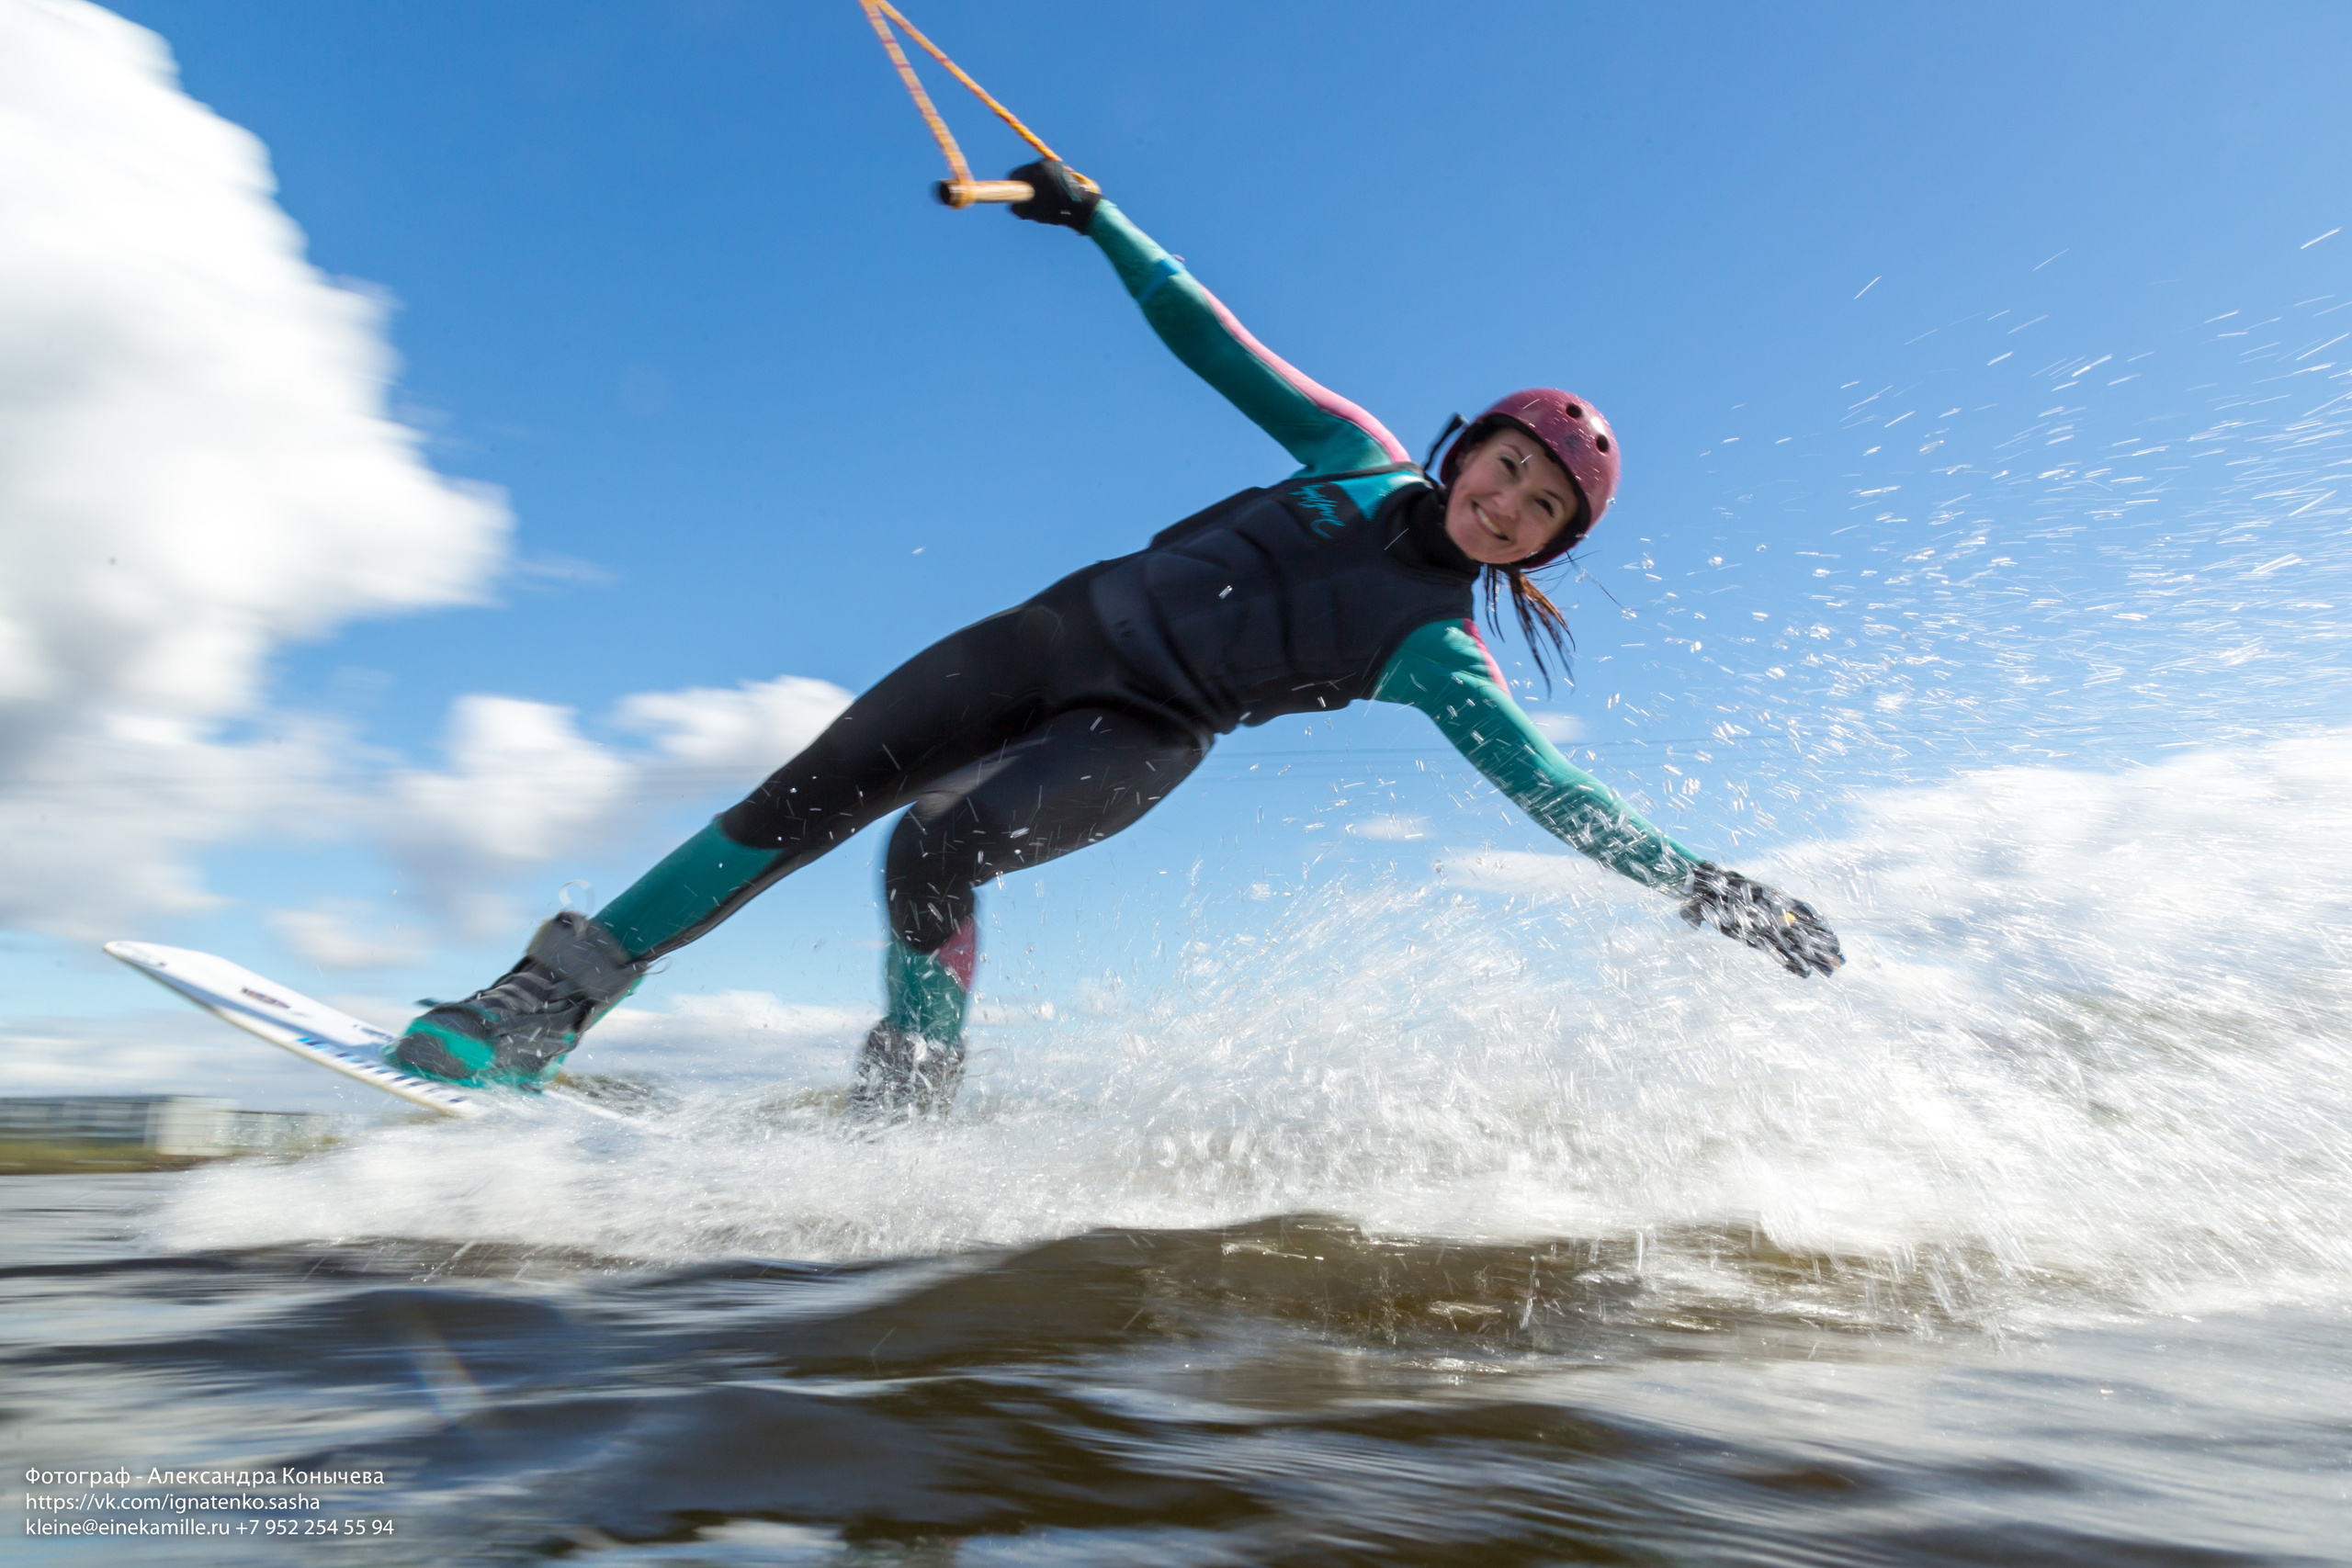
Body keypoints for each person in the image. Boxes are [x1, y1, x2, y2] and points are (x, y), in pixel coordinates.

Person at [392, 161, 1843, 1115]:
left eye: (1540, 508)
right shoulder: (1348, 451)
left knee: (935, 843)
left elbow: (1558, 795)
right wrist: (1094, 215)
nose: (1507, 503)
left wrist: (1704, 885)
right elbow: (1208, 332)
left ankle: (909, 1097)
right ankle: (541, 1007)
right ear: (1468, 447)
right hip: (1048, 633)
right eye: (1505, 466)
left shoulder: (1435, 653)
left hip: (1141, 734)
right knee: (800, 800)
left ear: (1550, 548)